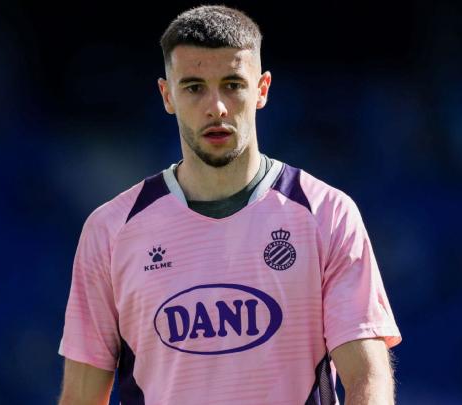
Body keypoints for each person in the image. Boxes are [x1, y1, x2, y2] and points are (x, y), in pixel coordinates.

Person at [57, 5, 401, 405]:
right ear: (167, 95)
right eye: (194, 87)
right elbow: (81, 397)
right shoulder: (111, 230)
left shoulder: (326, 214)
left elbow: (367, 378)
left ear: (262, 89)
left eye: (233, 84)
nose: (216, 107)